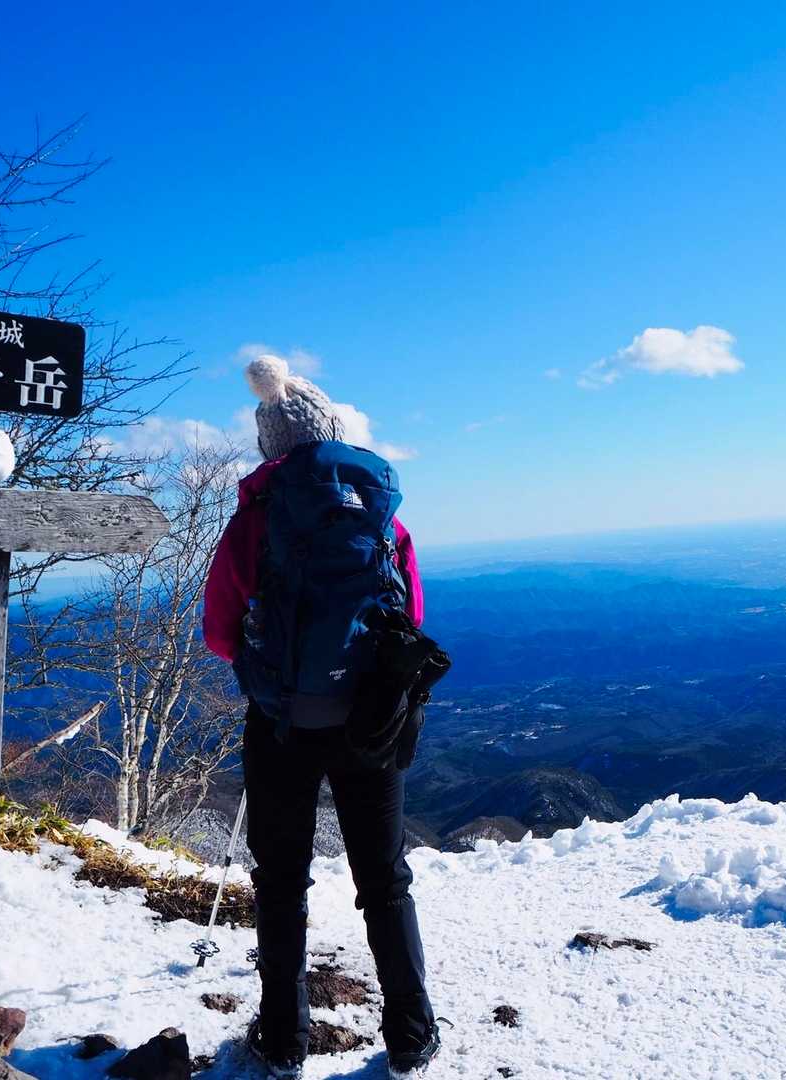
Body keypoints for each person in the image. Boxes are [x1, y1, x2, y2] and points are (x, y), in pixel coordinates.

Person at [202, 355, 441, 1079]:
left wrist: (271, 656)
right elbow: (409, 616)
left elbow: (218, 634)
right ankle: (411, 1034)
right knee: (384, 878)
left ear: (269, 445)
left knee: (281, 880)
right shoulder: (379, 517)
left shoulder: (253, 521)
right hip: (370, 718)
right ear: (332, 432)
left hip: (282, 723)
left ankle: (283, 1039)